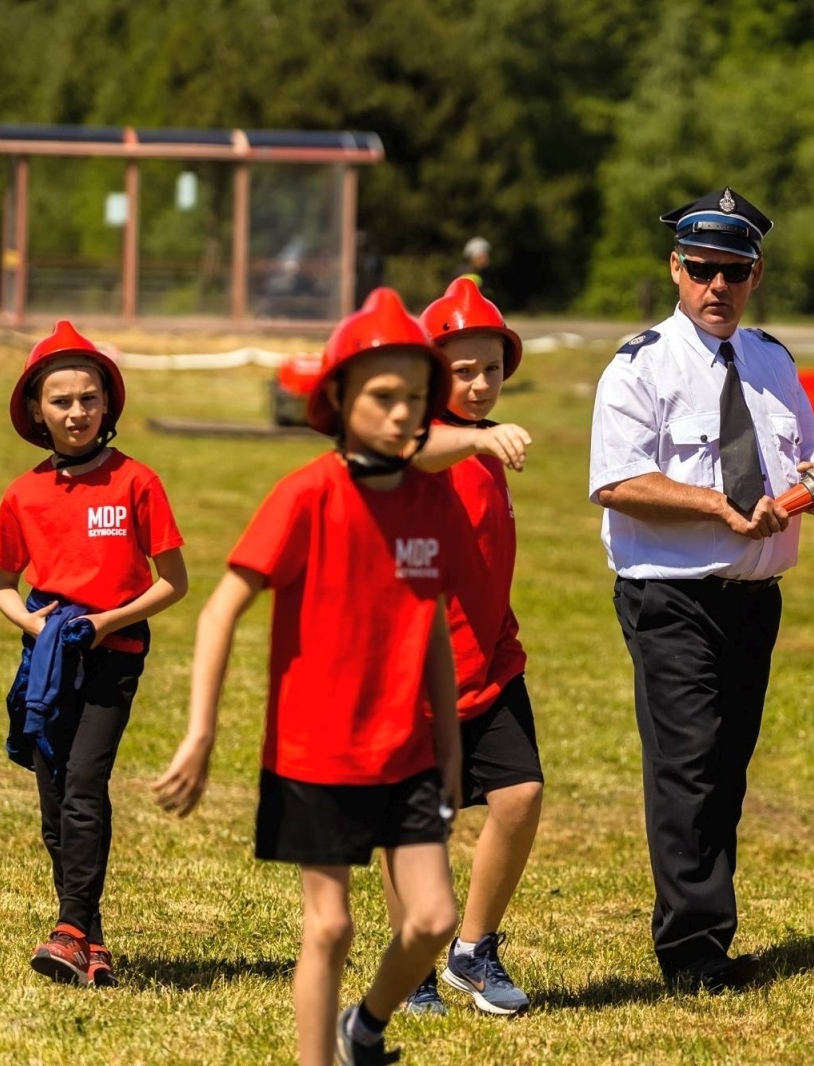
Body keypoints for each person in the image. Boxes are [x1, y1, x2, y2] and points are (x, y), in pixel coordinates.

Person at [155, 288, 462, 1066]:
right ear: (338, 398)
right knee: (328, 927)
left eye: (417, 399)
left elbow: (428, 628)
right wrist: (201, 732)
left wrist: (451, 744)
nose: (402, 414)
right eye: (383, 397)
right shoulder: (305, 496)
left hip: (406, 751)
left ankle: (365, 1027)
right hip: (314, 753)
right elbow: (220, 610)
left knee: (432, 921)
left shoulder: (431, 502)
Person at [587, 187, 814, 992]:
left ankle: (708, 934)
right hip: (671, 595)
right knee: (688, 767)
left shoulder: (771, 358)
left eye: (733, 270)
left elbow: (810, 449)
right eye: (701, 269)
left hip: (753, 597)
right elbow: (617, 481)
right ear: (676, 267)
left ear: (755, 274)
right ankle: (692, 954)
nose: (717, 286)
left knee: (727, 766)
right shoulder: (640, 365)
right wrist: (718, 506)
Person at [0, 321, 189, 988]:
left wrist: (107, 622)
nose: (76, 412)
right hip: (49, 656)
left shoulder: (137, 482)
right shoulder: (23, 494)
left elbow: (172, 582)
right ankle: (87, 937)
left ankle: (69, 929)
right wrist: (37, 628)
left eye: (88, 399)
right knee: (52, 801)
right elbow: (3, 589)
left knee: (82, 783)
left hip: (114, 650)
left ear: (108, 404)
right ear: (37, 412)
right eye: (62, 401)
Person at [392, 277, 542, 1017]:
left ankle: (472, 952)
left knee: (520, 796)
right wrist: (478, 437)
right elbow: (421, 451)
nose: (479, 384)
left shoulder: (480, 448)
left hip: (490, 656)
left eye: (490, 369)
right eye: (462, 369)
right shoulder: (412, 435)